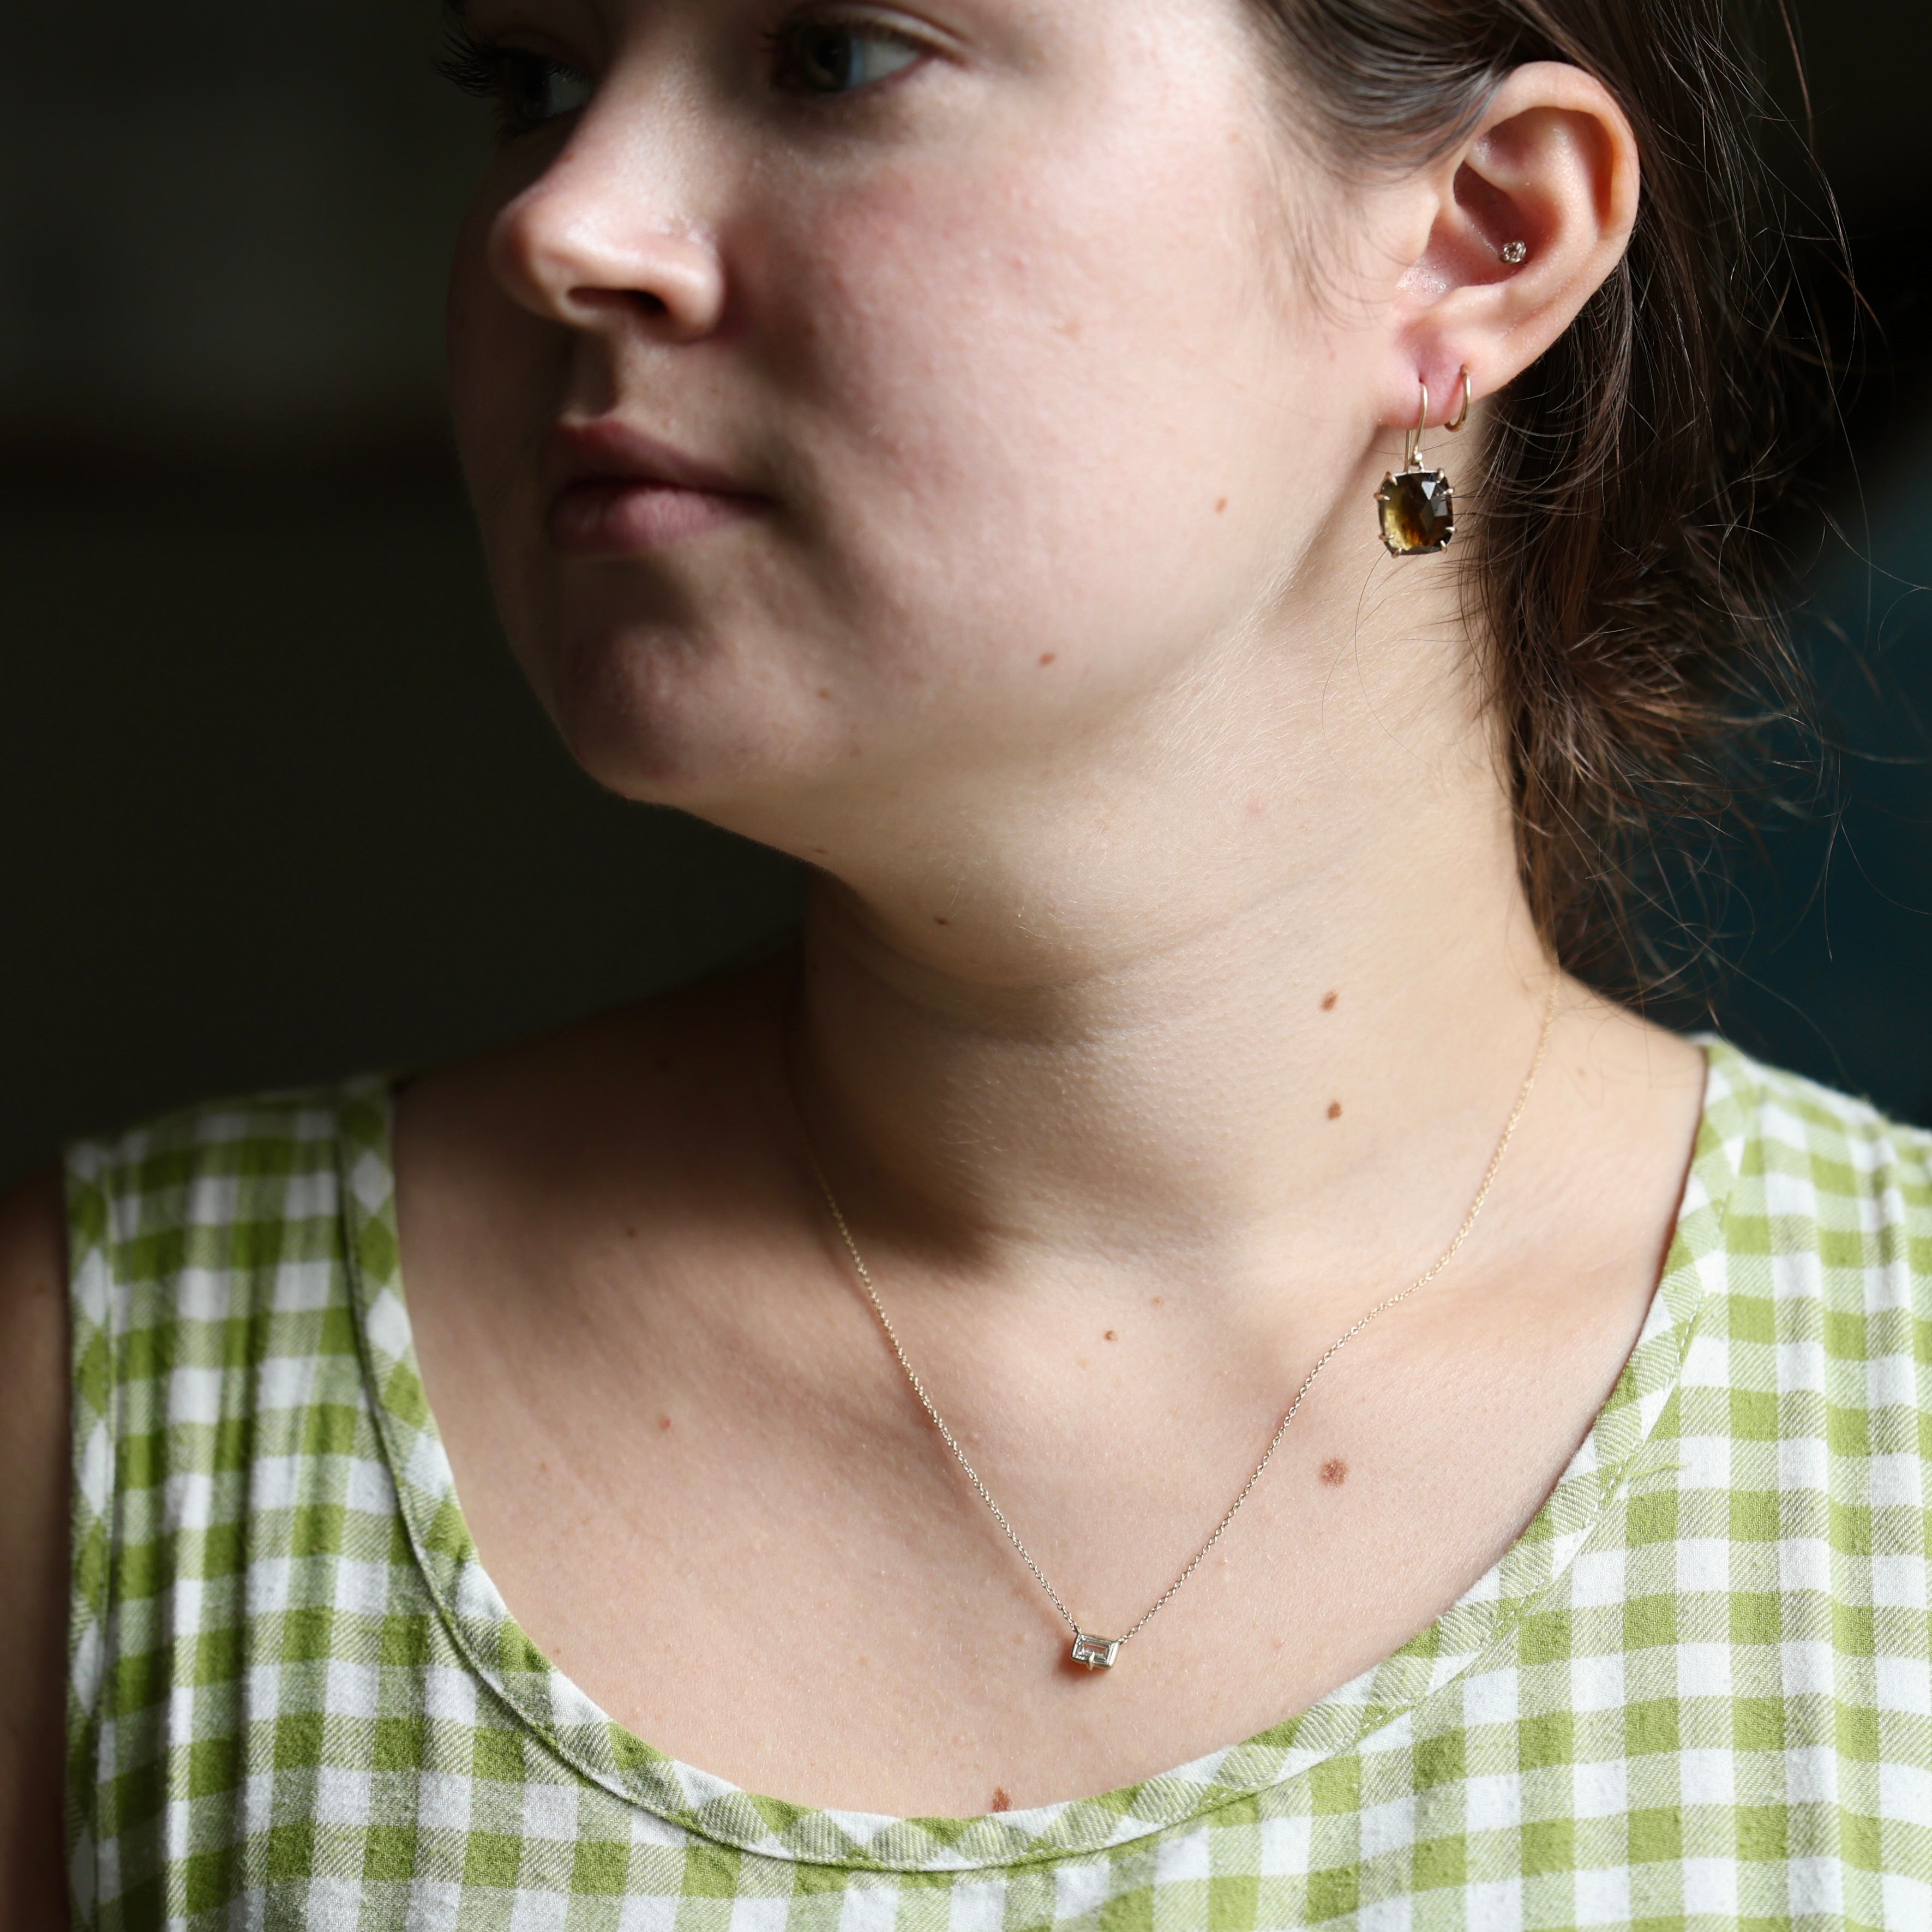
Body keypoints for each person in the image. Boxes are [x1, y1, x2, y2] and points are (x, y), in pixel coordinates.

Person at [3, 0, 1925, 1923]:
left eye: (834, 57)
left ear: (1475, 237)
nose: (555, 223)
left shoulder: (1892, 1430)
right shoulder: (106, 1434)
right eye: (534, 84)